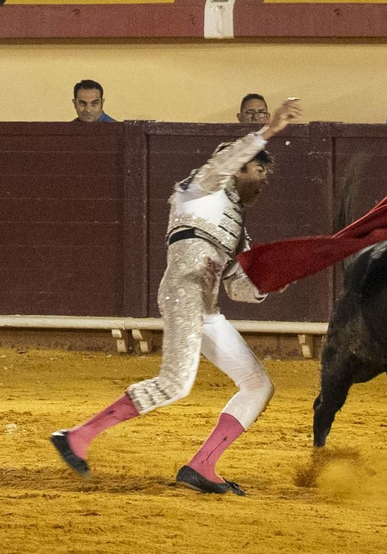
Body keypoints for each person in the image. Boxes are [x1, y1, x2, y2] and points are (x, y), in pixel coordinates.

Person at [49, 97, 302, 494]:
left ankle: (202, 466)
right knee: (175, 384)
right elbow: (223, 163)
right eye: (258, 169)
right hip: (184, 291)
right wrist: (268, 131)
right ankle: (78, 436)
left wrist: (267, 287)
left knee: (258, 385)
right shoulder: (200, 189)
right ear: (237, 167)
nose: (263, 178)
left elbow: (237, 286)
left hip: (207, 306)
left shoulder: (236, 227)